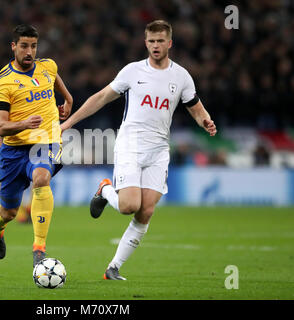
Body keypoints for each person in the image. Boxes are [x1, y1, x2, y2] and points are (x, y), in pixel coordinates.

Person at [60, 20, 217, 280]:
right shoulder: (132, 72)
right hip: (131, 145)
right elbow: (100, 97)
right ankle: (105, 190)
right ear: (146, 43)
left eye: (160, 41)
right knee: (128, 206)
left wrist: (206, 121)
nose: (156, 46)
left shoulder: (181, 77)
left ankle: (113, 268)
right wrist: (69, 123)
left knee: (146, 211)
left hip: (158, 151)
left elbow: (195, 107)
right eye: (151, 41)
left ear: (170, 43)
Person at [0, 24, 73, 267]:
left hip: (45, 141)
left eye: (34, 46)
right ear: (13, 46)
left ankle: (39, 248)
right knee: (9, 213)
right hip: (14, 150)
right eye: (24, 46)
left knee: (41, 177)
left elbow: (53, 78)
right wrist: (24, 123)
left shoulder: (47, 66)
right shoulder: (2, 81)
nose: (30, 51)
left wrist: (68, 99)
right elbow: (1, 127)